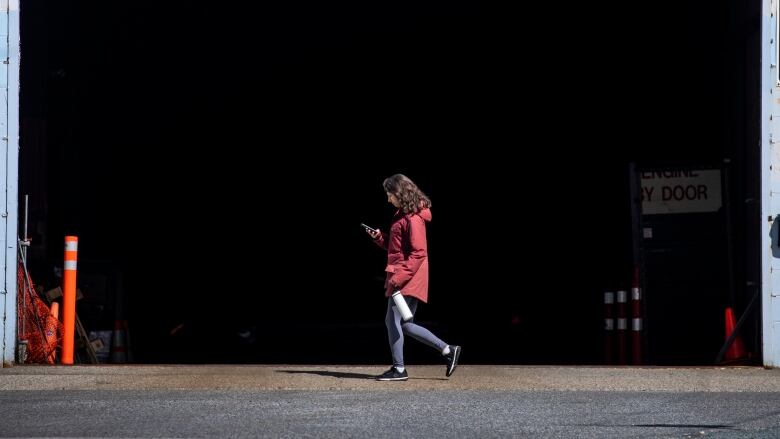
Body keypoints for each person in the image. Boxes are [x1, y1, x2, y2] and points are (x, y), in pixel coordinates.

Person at [365, 174, 461, 381]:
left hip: (408, 277)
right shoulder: (403, 214)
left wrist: (398, 278)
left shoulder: (413, 218)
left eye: (390, 194)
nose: (388, 199)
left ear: (399, 193)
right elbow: (398, 248)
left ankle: (399, 369)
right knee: (405, 324)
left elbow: (419, 253)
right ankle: (447, 350)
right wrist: (380, 238)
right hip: (404, 274)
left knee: (392, 321)